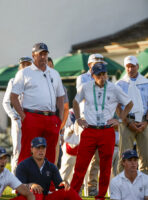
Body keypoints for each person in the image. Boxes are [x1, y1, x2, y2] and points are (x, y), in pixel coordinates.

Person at [71, 63, 133, 200]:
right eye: (98, 74)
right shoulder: (86, 87)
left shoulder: (114, 88)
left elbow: (129, 103)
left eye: (104, 74)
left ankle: (101, 196)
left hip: (107, 131)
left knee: (106, 166)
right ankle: (73, 194)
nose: (102, 77)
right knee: (81, 165)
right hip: (90, 130)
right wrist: (77, 118)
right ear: (92, 76)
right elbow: (75, 102)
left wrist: (120, 120)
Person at [11, 43, 65, 165]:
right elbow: (13, 97)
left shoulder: (54, 73)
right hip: (32, 116)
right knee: (28, 152)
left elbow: (60, 97)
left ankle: (49, 184)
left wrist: (59, 118)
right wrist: (23, 116)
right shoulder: (25, 73)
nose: (43, 57)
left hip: (51, 118)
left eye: (45, 54)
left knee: (50, 153)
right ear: (33, 55)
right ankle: (24, 183)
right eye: (40, 54)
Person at [75, 53, 107, 196]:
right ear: (89, 65)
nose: (99, 63)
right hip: (85, 120)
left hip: (100, 121)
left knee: (97, 157)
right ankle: (79, 185)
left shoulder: (105, 76)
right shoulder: (82, 78)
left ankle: (92, 186)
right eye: (96, 61)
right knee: (83, 156)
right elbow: (85, 98)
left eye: (101, 61)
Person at [15, 137, 81, 200]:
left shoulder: (51, 166)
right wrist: (31, 185)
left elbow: (59, 185)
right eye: (38, 148)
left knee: (68, 191)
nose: (41, 151)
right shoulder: (23, 165)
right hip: (28, 197)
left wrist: (64, 183)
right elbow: (18, 186)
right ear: (32, 149)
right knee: (35, 191)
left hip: (45, 197)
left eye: (43, 148)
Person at [116, 55, 148, 175]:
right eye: (128, 67)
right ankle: (121, 188)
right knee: (124, 157)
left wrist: (146, 122)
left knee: (146, 157)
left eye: (132, 66)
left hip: (144, 121)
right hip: (126, 121)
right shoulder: (119, 84)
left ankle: (145, 189)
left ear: (138, 66)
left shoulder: (146, 83)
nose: (130, 69)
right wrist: (127, 122)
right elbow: (117, 106)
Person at [2, 56, 32, 174]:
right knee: (17, 151)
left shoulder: (35, 81)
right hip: (19, 121)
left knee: (32, 150)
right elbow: (6, 102)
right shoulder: (13, 81)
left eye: (27, 64)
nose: (25, 67)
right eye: (23, 64)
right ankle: (16, 180)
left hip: (32, 119)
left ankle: (29, 179)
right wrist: (13, 116)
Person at [47, 57, 69, 167]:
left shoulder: (60, 87)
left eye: (51, 67)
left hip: (55, 125)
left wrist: (61, 126)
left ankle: (52, 180)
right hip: (40, 123)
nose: (48, 69)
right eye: (46, 67)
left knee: (54, 156)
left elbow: (65, 109)